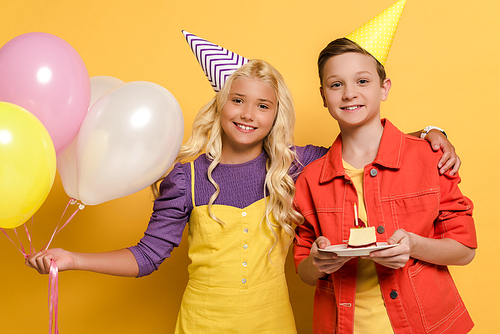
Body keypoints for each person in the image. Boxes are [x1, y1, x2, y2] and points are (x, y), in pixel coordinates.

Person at [26, 36, 459, 333]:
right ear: (221, 105)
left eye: (263, 106)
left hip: (272, 325)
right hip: (201, 325)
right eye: (238, 100)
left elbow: (363, 145)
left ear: (276, 114)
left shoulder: (296, 165)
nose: (248, 114)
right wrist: (73, 259)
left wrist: (428, 133)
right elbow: (148, 255)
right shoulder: (186, 176)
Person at [292, 16, 477, 334]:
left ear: (384, 88)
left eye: (362, 81)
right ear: (324, 96)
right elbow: (304, 270)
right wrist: (318, 262)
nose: (349, 93)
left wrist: (413, 246)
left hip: (427, 325)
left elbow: (465, 249)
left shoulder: (429, 157)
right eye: (337, 84)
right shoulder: (310, 179)